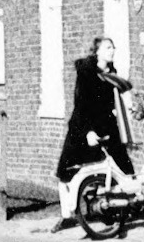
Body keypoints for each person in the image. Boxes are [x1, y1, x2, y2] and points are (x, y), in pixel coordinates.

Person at [55, 36, 133, 197]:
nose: (112, 51)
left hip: (107, 124)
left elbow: (112, 100)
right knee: (72, 170)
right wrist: (88, 131)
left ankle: (121, 203)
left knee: (119, 165)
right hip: (84, 125)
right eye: (107, 48)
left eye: (113, 47)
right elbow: (81, 104)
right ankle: (69, 214)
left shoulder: (112, 73)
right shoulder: (86, 73)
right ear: (97, 52)